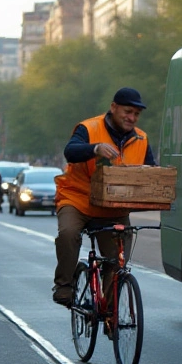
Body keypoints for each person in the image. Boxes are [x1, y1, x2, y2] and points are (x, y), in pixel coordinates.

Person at [52, 88, 156, 306]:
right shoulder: (89, 128)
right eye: (127, 111)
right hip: (79, 200)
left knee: (117, 263)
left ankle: (109, 311)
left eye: (136, 114)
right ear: (113, 107)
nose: (132, 118)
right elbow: (70, 151)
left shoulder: (141, 138)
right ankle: (64, 285)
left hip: (113, 208)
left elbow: (149, 172)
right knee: (68, 233)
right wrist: (95, 148)